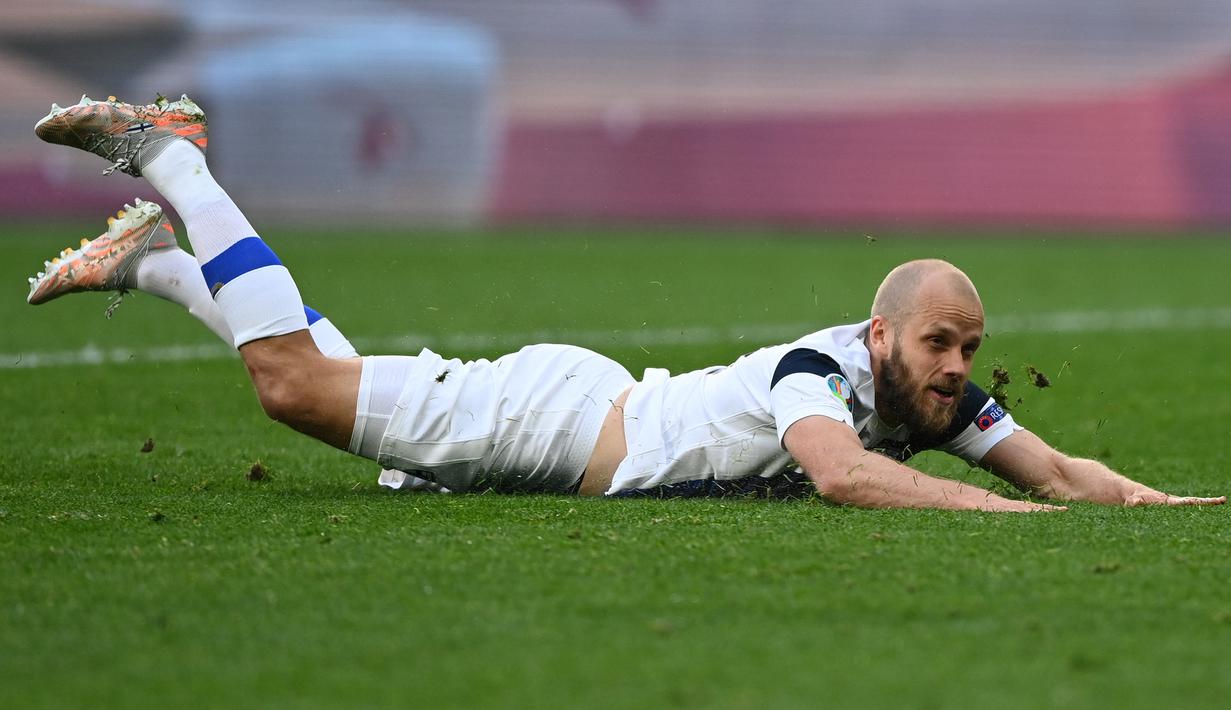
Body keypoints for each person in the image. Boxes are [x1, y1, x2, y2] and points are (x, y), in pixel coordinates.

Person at [29, 94, 1224, 511]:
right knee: (292, 384)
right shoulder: (823, 378)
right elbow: (844, 475)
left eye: (968, 346)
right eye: (940, 340)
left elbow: (1061, 471)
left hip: (577, 421)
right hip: (555, 425)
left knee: (342, 386)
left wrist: (1169, 505)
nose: (961, 363)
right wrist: (1013, 525)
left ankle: (159, 263)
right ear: (879, 334)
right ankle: (177, 160)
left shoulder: (932, 394)